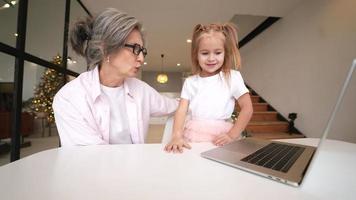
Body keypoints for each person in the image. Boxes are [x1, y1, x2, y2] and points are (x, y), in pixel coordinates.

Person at [53, 8, 178, 146]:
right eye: (135, 49)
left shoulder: (141, 90)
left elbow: (175, 105)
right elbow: (90, 157)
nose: (141, 58)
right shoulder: (69, 98)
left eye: (142, 51)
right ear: (106, 48)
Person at [165, 23, 253, 153]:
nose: (211, 58)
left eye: (217, 52)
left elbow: (247, 108)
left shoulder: (232, 77)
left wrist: (232, 135)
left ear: (225, 53)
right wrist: (177, 136)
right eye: (205, 53)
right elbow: (181, 111)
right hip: (193, 135)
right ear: (196, 55)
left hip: (222, 136)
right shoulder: (190, 82)